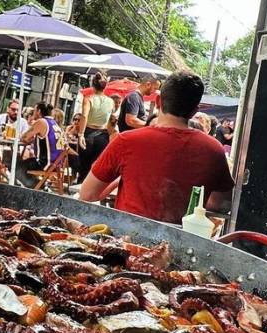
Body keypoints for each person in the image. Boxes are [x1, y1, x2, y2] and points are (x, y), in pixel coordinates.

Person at [80, 70, 235, 224]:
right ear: (195, 110)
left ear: (159, 101)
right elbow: (221, 205)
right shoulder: (214, 150)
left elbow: (88, 194)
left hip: (126, 242)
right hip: (184, 242)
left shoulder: (126, 141)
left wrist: (119, 181)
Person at [76, 73, 114, 182]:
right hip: (103, 135)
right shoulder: (111, 101)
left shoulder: (88, 99)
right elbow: (111, 117)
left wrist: (81, 134)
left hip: (88, 134)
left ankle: (80, 190)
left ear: (93, 84)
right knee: (96, 166)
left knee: (84, 166)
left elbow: (84, 116)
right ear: (105, 86)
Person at [15, 101, 62, 187]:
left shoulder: (41, 122)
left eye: (35, 110)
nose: (33, 113)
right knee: (22, 164)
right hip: (56, 164)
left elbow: (24, 138)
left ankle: (40, 186)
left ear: (39, 111)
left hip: (45, 163)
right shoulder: (54, 123)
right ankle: (39, 185)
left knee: (15, 166)